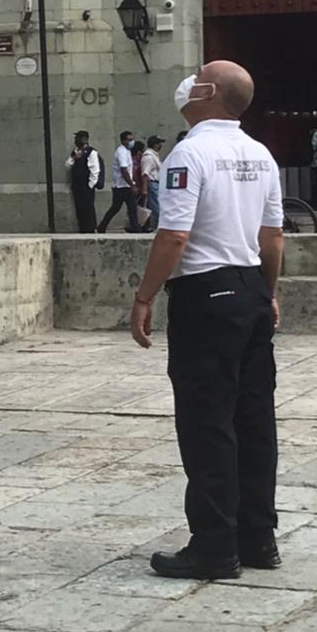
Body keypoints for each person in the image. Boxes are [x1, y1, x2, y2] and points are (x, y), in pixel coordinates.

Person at [130, 60, 284, 581]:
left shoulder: (190, 152)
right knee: (254, 419)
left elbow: (174, 235)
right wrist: (270, 292)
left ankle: (215, 544)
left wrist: (145, 296)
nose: (188, 81)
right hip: (249, 288)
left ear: (209, 92)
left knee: (207, 421)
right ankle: (257, 537)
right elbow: (272, 238)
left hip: (206, 292)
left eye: (197, 75)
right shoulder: (260, 154)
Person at [98, 131, 142, 233]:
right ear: (123, 141)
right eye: (129, 140)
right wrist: (132, 185)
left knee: (126, 208)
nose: (131, 142)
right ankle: (135, 229)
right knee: (122, 208)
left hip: (124, 185)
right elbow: (124, 170)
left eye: (132, 139)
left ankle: (102, 227)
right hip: (122, 186)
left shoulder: (127, 151)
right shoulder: (121, 152)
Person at [65, 130, 102, 234]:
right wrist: (74, 157)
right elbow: (67, 165)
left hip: (86, 185)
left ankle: (90, 228)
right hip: (77, 186)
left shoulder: (91, 152)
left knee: (88, 207)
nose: (76, 140)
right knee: (79, 207)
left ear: (85, 139)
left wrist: (91, 184)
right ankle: (82, 227)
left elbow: (95, 169)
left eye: (79, 138)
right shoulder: (75, 151)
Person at [142, 135, 164, 231]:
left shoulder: (154, 155)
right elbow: (145, 174)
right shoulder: (149, 157)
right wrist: (145, 189)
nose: (160, 146)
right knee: (157, 208)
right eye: (159, 143)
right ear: (155, 145)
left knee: (157, 207)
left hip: (156, 184)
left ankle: (155, 227)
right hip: (152, 184)